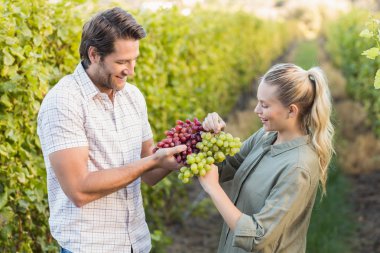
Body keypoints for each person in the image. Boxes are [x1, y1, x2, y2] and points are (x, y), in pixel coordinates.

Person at [37, 7, 186, 253]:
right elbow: (79, 190)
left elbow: (149, 173)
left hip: (135, 243)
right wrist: (152, 161)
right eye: (121, 62)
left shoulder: (133, 97)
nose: (131, 70)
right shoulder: (63, 102)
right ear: (94, 54)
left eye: (134, 59)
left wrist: (184, 152)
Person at [199, 63, 334, 253]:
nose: (256, 110)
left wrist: (213, 188)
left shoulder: (297, 167)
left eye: (264, 105)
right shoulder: (266, 136)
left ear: (292, 111)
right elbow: (226, 168)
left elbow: (257, 238)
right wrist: (212, 139)